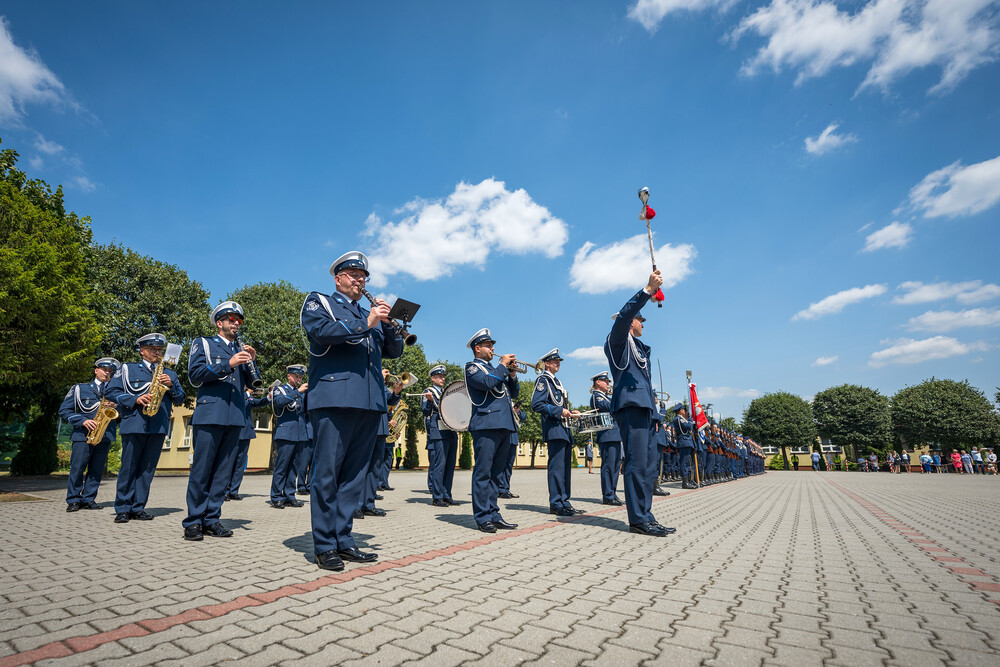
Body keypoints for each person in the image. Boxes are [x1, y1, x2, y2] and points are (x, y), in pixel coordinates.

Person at [300, 251, 405, 570]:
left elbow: (394, 352)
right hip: (335, 398)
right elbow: (321, 333)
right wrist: (368, 320)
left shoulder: (367, 313)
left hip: (369, 403)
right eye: (353, 274)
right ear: (338, 278)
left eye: (363, 276)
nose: (360, 280)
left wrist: (389, 325)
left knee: (354, 477)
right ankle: (324, 545)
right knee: (328, 473)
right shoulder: (320, 302)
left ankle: (343, 539)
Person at [604, 270, 674, 537]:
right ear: (632, 322)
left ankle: (646, 515)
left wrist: (656, 416)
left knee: (646, 466)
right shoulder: (618, 342)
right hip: (630, 406)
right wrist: (647, 289)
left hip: (645, 409)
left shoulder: (640, 349)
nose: (643, 324)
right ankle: (637, 520)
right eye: (640, 320)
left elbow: (648, 386)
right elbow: (622, 318)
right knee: (635, 464)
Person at [183, 301, 258, 541]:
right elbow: (195, 375)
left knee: (223, 472)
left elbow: (252, 384)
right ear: (220, 323)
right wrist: (229, 363)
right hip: (210, 413)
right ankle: (194, 521)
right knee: (202, 469)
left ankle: (212, 519)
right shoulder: (203, 343)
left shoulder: (240, 348)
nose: (236, 323)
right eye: (231, 319)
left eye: (239, 320)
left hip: (235, 416)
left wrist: (251, 361)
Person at [106, 334, 185, 523]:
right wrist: (134, 399)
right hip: (134, 423)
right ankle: (123, 508)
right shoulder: (127, 369)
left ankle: (138, 507)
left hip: (158, 426)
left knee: (147, 470)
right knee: (129, 467)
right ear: (142, 351)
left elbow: (180, 399)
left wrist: (171, 386)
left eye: (159, 350)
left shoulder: (170, 373)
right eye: (153, 349)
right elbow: (110, 391)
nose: (157, 353)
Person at [465, 328, 520, 533]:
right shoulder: (472, 368)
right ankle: (482, 516)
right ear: (477, 348)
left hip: (505, 424)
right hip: (486, 424)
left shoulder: (497, 370)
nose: (493, 348)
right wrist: (502, 366)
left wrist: (512, 374)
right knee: (483, 472)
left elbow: (513, 393)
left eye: (492, 345)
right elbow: (487, 383)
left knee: (497, 474)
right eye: (489, 345)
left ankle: (494, 513)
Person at [59, 357, 121, 513]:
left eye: (110, 371)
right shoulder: (80, 388)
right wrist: (83, 421)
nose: (107, 373)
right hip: (83, 435)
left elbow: (123, 414)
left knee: (96, 469)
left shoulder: (115, 392)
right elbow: (64, 411)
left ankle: (88, 499)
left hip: (105, 435)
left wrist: (117, 407)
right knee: (77, 468)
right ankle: (73, 499)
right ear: (96, 370)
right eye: (104, 370)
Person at [532, 348, 582, 517]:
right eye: (555, 361)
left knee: (565, 469)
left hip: (564, 429)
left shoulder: (556, 382)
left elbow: (561, 405)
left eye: (559, 361)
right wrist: (559, 411)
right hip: (554, 429)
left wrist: (570, 412)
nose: (558, 363)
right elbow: (536, 404)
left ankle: (564, 501)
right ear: (547, 363)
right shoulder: (543, 380)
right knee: (557, 468)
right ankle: (556, 503)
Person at [356, 371, 400, 518]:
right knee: (362, 467)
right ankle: (355, 505)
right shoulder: (366, 380)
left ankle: (368, 504)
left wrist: (397, 391)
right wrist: (378, 378)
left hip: (381, 429)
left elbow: (391, 401)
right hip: (367, 427)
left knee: (375, 468)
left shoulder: (382, 387)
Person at [269, 365, 310, 509]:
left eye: (300, 377)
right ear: (288, 376)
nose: (299, 379)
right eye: (296, 376)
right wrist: (298, 392)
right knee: (282, 466)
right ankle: (276, 496)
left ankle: (289, 495)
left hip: (300, 434)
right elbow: (279, 402)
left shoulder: (302, 393)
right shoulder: (280, 389)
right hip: (286, 433)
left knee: (294, 467)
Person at [422, 365, 458, 506]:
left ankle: (447, 495)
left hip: (450, 431)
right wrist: (430, 402)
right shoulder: (429, 392)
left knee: (450, 465)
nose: (442, 378)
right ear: (433, 378)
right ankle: (437, 497)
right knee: (440, 465)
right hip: (438, 432)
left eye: (443, 376)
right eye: (439, 376)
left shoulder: (446, 392)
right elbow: (425, 412)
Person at [227, 386, 270, 501]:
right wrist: (247, 393)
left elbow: (259, 402)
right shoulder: (237, 394)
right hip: (233, 431)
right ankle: (224, 490)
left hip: (245, 433)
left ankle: (234, 491)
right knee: (229, 462)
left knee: (240, 464)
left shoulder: (249, 398)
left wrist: (269, 396)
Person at [589, 372, 623, 506]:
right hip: (606, 435)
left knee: (615, 466)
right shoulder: (596, 397)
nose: (608, 384)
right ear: (598, 382)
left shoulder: (606, 397)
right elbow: (610, 408)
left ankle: (613, 493)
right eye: (606, 381)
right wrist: (616, 393)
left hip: (614, 434)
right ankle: (608, 495)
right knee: (608, 466)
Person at [499, 402, 526, 500]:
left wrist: (517, 411)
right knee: (501, 465)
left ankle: (505, 489)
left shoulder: (512, 403)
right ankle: (500, 489)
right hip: (503, 437)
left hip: (513, 439)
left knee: (509, 467)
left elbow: (523, 417)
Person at [672, 405, 697, 489]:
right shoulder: (678, 419)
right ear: (680, 411)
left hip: (687, 442)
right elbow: (689, 427)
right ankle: (685, 482)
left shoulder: (683, 419)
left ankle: (689, 480)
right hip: (684, 442)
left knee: (688, 463)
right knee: (684, 463)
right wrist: (689, 419)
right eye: (683, 410)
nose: (684, 411)